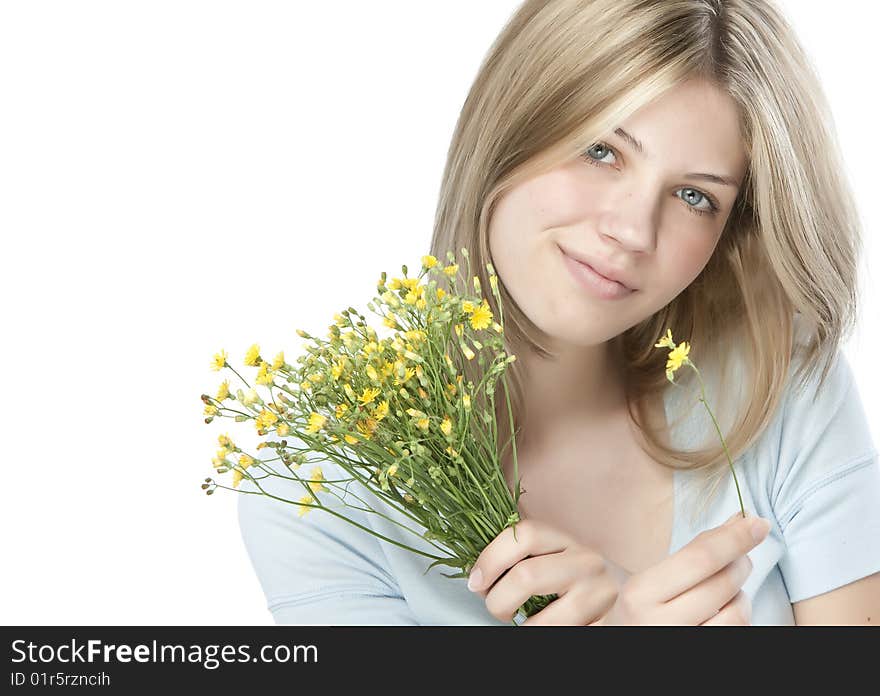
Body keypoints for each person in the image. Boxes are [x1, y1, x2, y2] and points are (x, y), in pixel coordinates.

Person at [237, 0, 879, 625]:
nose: (632, 231)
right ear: (509, 127)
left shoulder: (777, 381)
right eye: (602, 151)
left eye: (693, 196)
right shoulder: (320, 488)